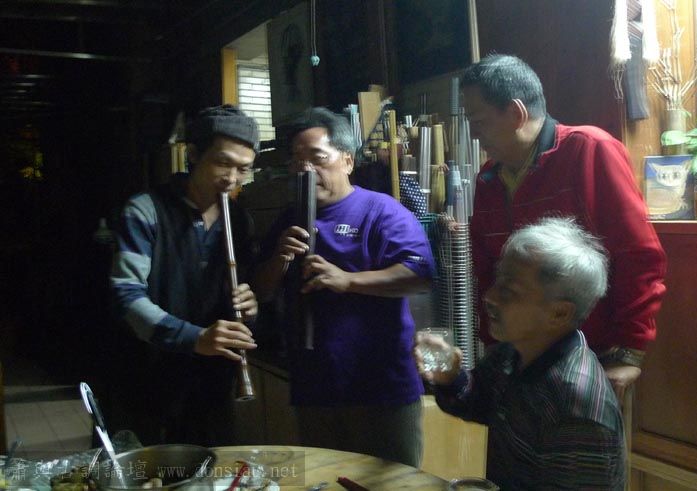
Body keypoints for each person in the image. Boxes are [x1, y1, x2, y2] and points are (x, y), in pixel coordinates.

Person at [463, 54, 667, 398]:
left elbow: (639, 255)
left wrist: (630, 350)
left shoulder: (589, 150)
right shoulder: (488, 179)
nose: (474, 133)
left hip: (593, 357)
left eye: (478, 121)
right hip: (520, 355)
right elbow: (487, 270)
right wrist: (493, 340)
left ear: (516, 113)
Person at [253, 107, 435, 467]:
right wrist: (279, 259)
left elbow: (421, 274)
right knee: (325, 483)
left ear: (347, 161)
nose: (306, 168)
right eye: (297, 160)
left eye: (317, 157)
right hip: (314, 388)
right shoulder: (289, 219)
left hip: (381, 390)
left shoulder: (381, 210)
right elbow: (259, 290)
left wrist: (347, 280)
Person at [416, 217, 625, 490]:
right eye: (497, 282)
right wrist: (451, 378)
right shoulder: (513, 351)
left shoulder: (575, 406)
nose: (489, 296)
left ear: (559, 313)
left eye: (509, 291)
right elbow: (481, 402)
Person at [109, 104, 260, 446]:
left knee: (211, 467)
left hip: (209, 384)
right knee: (145, 470)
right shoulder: (145, 210)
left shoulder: (239, 220)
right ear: (193, 154)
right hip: (146, 375)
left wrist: (250, 308)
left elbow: (238, 297)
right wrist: (194, 338)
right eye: (223, 163)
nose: (232, 178)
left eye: (243, 169)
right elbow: (125, 296)